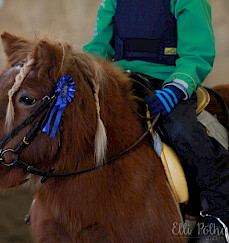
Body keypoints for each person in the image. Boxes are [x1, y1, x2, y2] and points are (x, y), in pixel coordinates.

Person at [83, 0, 229, 242]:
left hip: (168, 84)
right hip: (122, 81)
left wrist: (176, 88)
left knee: (184, 132)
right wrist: (77, 69)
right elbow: (100, 46)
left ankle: (218, 211)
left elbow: (196, 54)